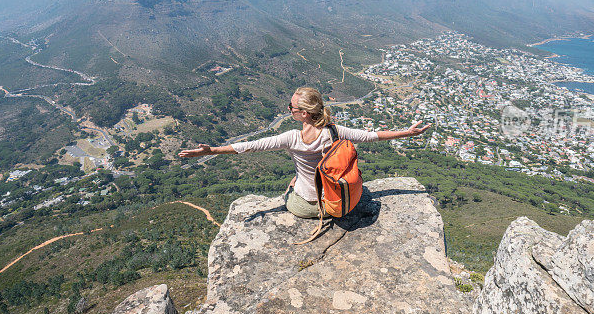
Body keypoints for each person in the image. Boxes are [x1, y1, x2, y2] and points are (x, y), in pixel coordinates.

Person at [178, 87, 430, 218]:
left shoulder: (292, 138)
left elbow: (252, 146)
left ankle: (295, 186)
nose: (288, 109)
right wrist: (407, 133)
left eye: (291, 106)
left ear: (304, 114)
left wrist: (211, 151)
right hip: (336, 202)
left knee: (293, 182)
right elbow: (370, 136)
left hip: (308, 207)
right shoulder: (334, 131)